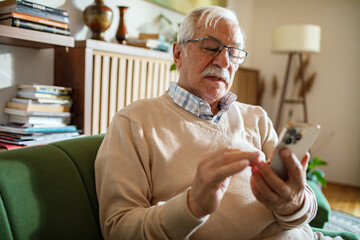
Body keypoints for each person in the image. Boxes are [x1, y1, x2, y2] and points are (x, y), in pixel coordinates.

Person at [95, 6, 329, 240]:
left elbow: (300, 215)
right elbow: (118, 229)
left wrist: (293, 202)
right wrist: (192, 206)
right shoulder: (134, 122)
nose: (223, 61)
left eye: (234, 52)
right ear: (178, 54)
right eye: (210, 47)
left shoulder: (256, 118)